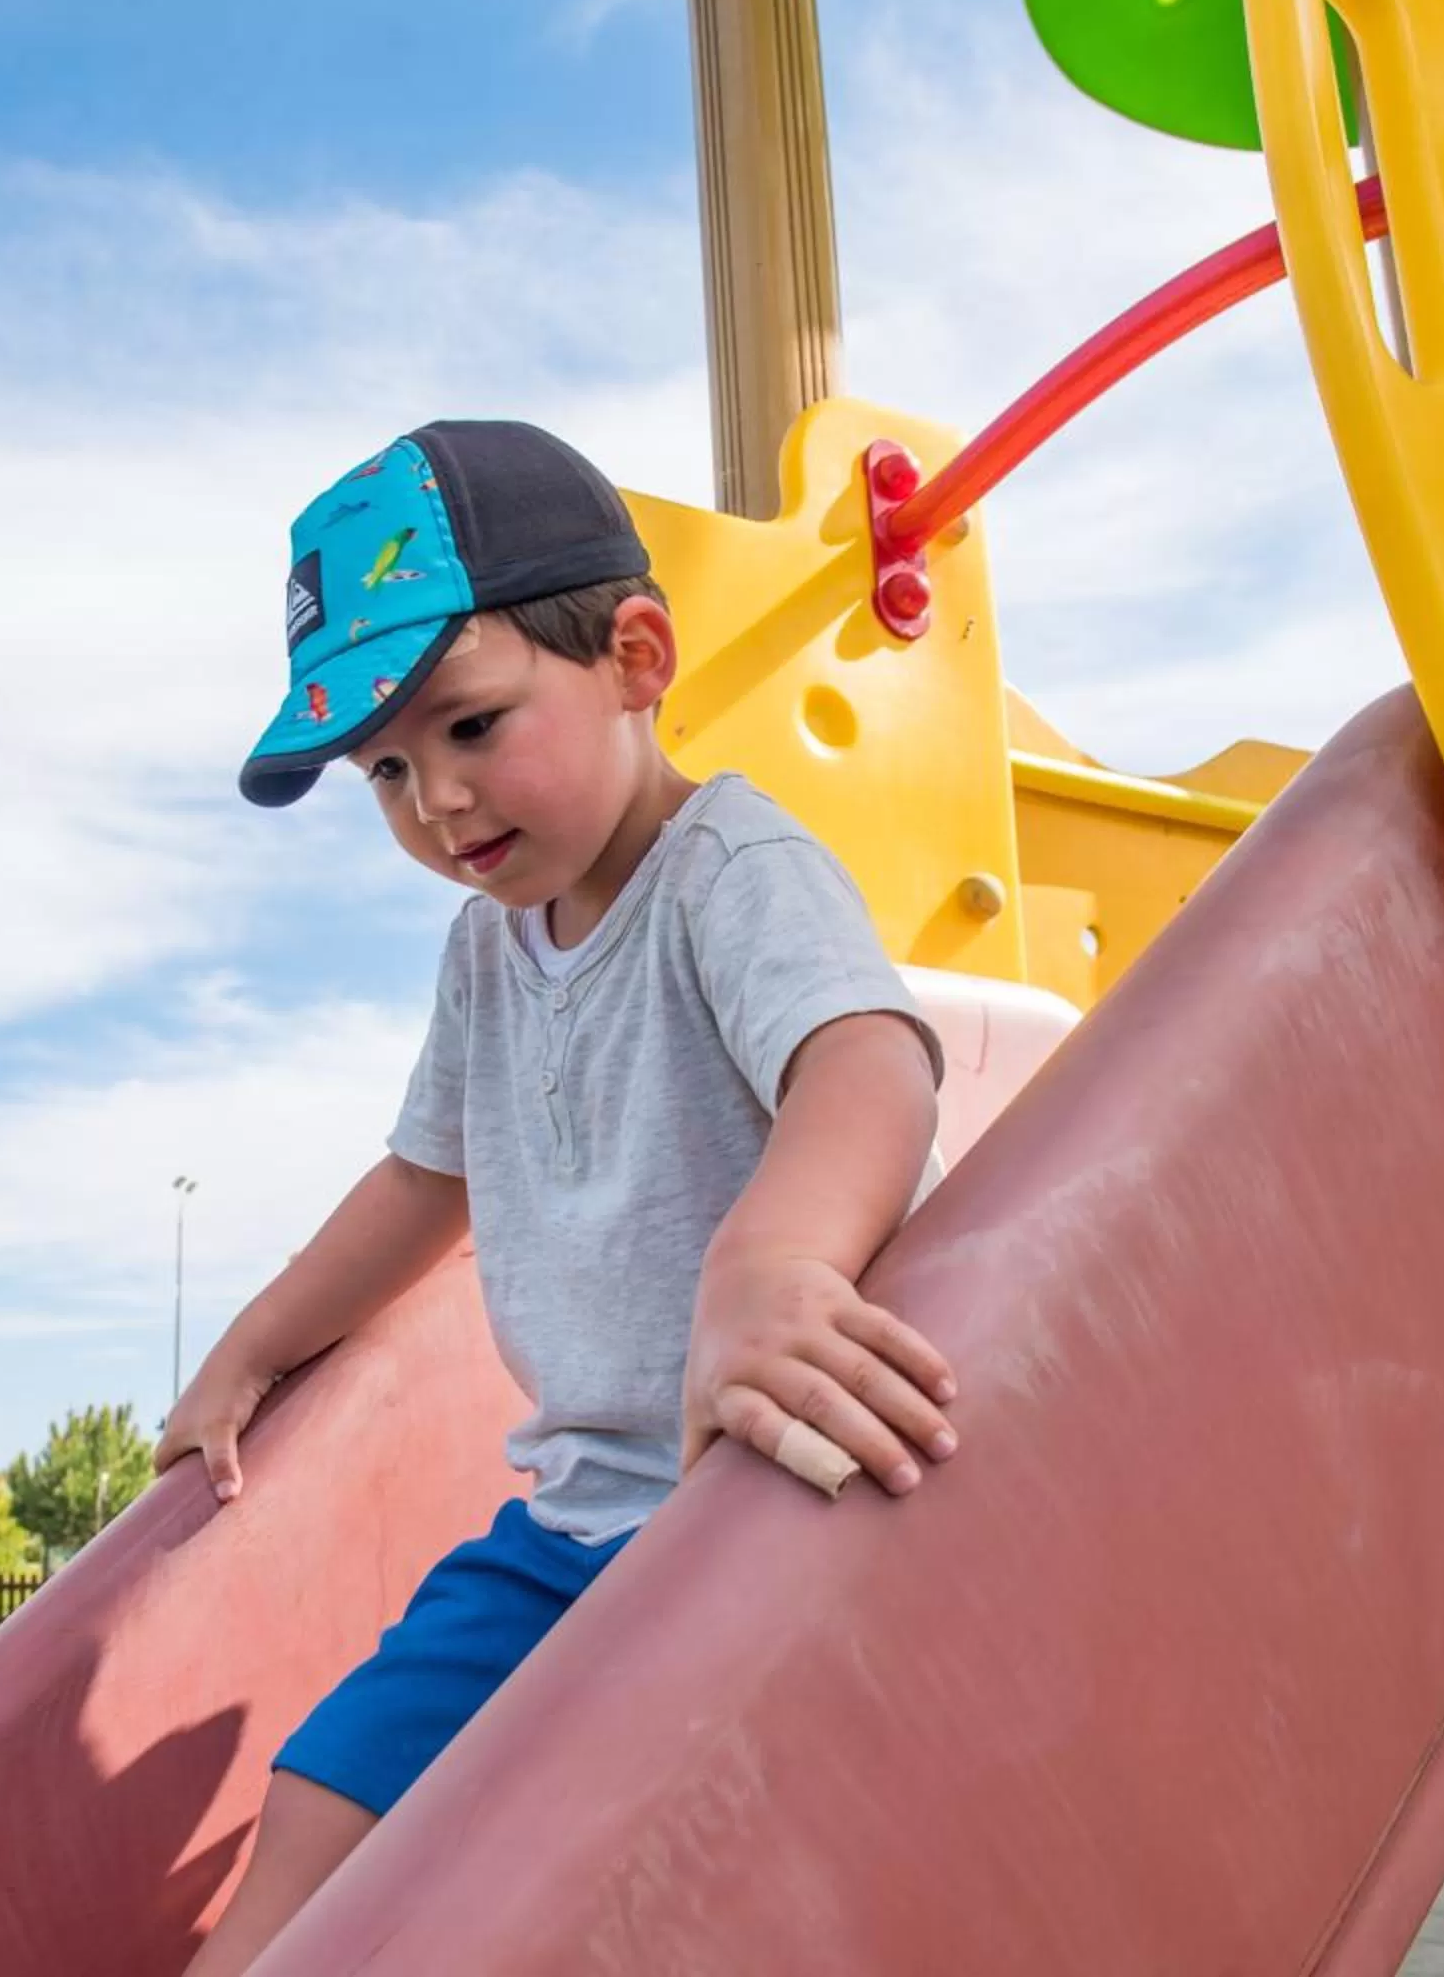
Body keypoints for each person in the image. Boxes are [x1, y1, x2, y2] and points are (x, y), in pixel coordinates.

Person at [159, 419, 957, 1973]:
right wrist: (255, 1342)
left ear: (636, 654)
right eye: (386, 770)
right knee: (318, 1804)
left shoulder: (731, 871)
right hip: (569, 1527)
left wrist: (777, 1259)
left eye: (469, 725)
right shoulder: (487, 948)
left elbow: (869, 1060)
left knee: (600, 1876)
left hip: (765, 1504)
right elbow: (423, 1179)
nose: (436, 803)